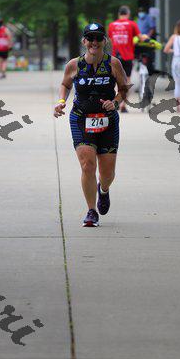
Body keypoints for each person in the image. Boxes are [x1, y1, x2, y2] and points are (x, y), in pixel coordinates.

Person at [53, 23, 128, 227]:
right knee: (87, 165)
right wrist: (61, 102)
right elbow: (65, 84)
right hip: (81, 118)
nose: (94, 42)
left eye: (98, 38)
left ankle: (104, 189)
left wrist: (115, 102)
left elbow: (124, 88)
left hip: (108, 120)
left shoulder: (113, 63)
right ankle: (91, 211)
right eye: (90, 38)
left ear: (105, 41)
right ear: (84, 41)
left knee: (107, 173)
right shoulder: (74, 65)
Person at [108, 5, 149, 112]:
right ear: (128, 14)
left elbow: (111, 39)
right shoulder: (132, 24)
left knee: (116, 81)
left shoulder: (112, 25)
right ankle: (122, 105)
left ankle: (115, 103)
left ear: (119, 14)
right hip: (127, 56)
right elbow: (140, 38)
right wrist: (146, 37)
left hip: (115, 57)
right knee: (127, 81)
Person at [136, 7, 157, 75]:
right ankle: (139, 63)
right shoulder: (139, 19)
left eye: (141, 11)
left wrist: (148, 36)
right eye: (139, 12)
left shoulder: (149, 18)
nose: (140, 13)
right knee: (138, 52)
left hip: (147, 39)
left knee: (149, 55)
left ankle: (150, 70)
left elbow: (152, 28)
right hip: (140, 39)